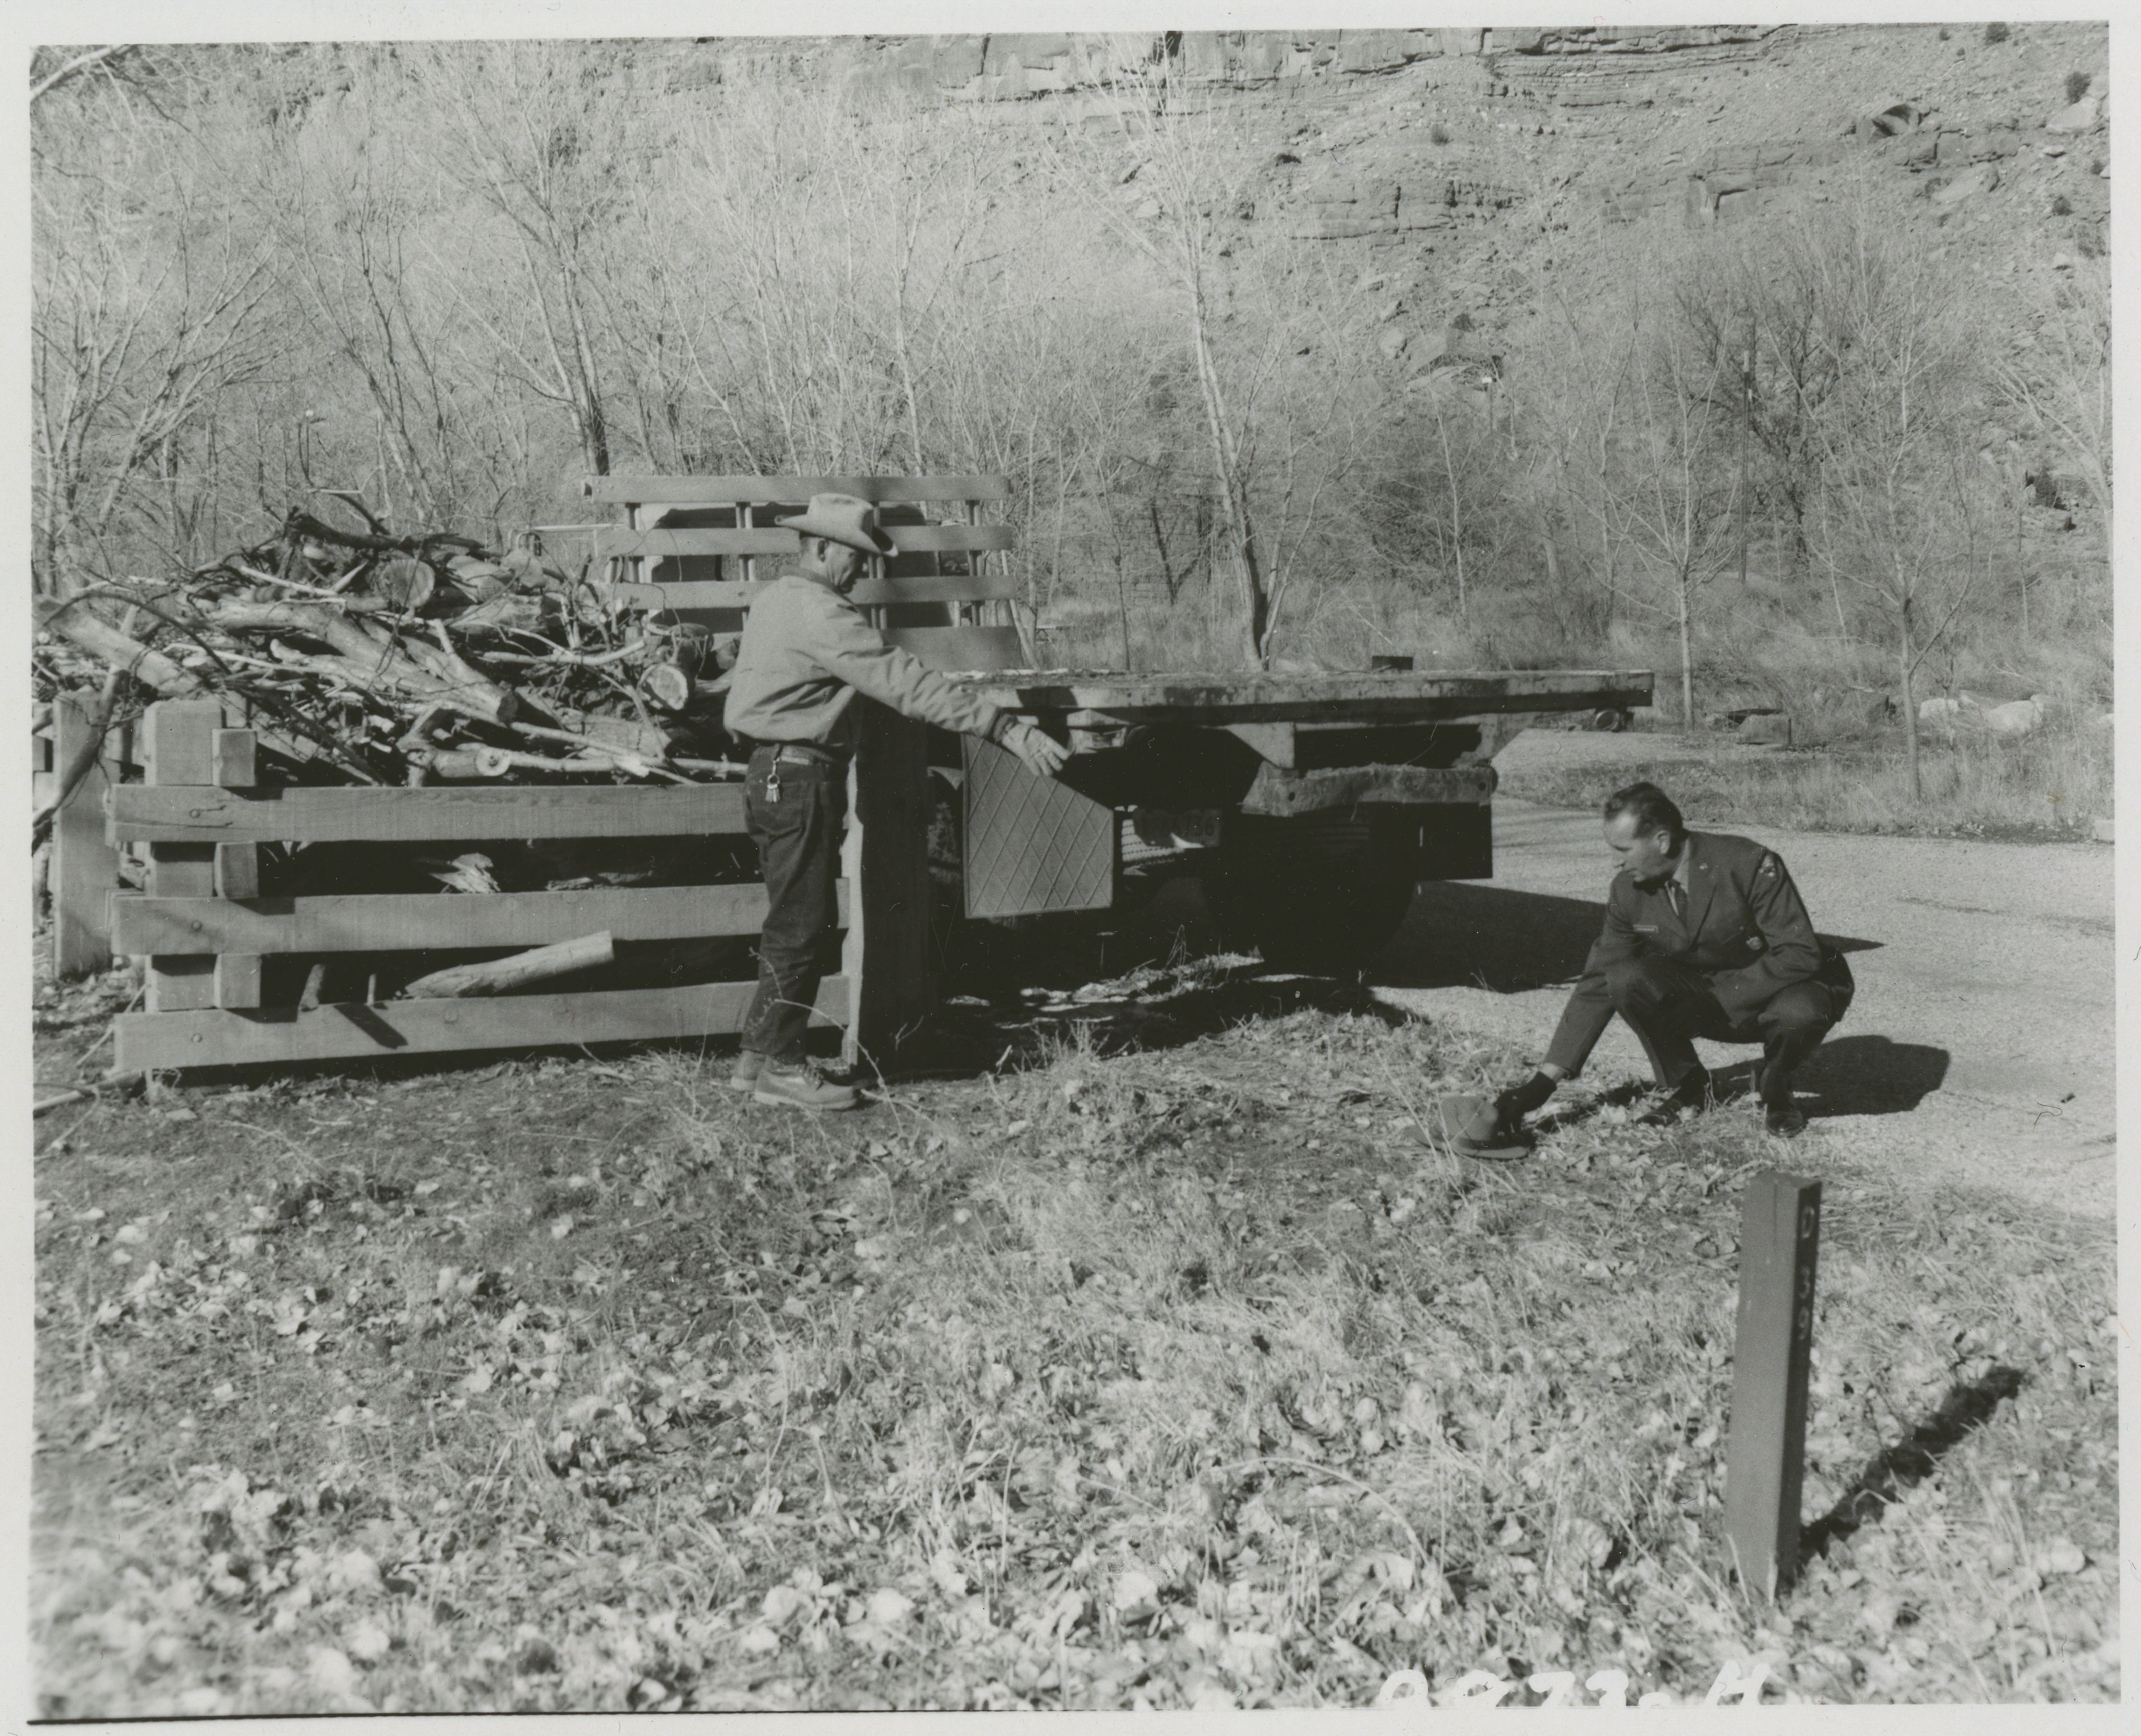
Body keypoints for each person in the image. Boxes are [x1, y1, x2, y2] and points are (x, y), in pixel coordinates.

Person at [721, 493, 1068, 1111]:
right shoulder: (823, 614)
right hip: (799, 777)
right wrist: (1004, 727)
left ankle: (757, 1059)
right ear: (822, 549)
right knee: (803, 927)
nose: (860, 570)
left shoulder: (776, 599)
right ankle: (781, 1069)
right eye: (854, 557)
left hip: (774, 776)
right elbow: (902, 682)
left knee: (792, 923)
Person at [1482, 781, 1853, 1143]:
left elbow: (1799, 954)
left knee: (1801, 1012)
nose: (1617, 861)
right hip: (1705, 1000)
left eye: (1624, 849)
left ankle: (1777, 1085)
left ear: (1662, 841)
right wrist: (1543, 1082)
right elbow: (1598, 980)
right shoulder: (1628, 890)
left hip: (1778, 990)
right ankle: (1692, 1086)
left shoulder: (1747, 863)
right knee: (1625, 979)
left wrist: (1715, 1002)